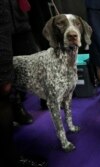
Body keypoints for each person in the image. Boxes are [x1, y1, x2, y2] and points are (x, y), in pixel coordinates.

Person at [0, 1, 47, 166]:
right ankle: (10, 157)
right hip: (3, 29)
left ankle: (17, 105)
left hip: (20, 24)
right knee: (3, 88)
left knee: (22, 76)